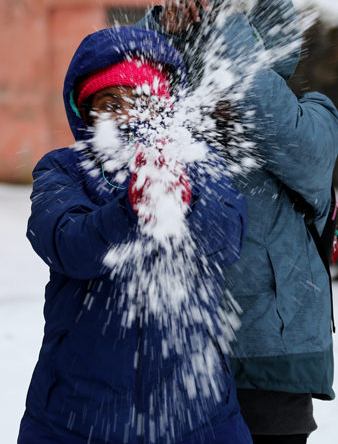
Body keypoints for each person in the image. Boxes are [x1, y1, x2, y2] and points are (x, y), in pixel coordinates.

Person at [138, 0, 338, 443]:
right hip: (185, 358)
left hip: (272, 363)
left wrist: (223, 25)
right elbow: (120, 111)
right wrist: (162, 37)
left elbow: (273, 122)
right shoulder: (181, 117)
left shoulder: (315, 115)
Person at [18, 26, 253, 444]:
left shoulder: (198, 163)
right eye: (110, 103)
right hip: (77, 417)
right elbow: (68, 244)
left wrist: (185, 200)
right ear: (87, 112)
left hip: (196, 417)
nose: (128, 115)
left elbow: (227, 238)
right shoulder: (62, 170)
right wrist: (131, 209)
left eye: (141, 99)